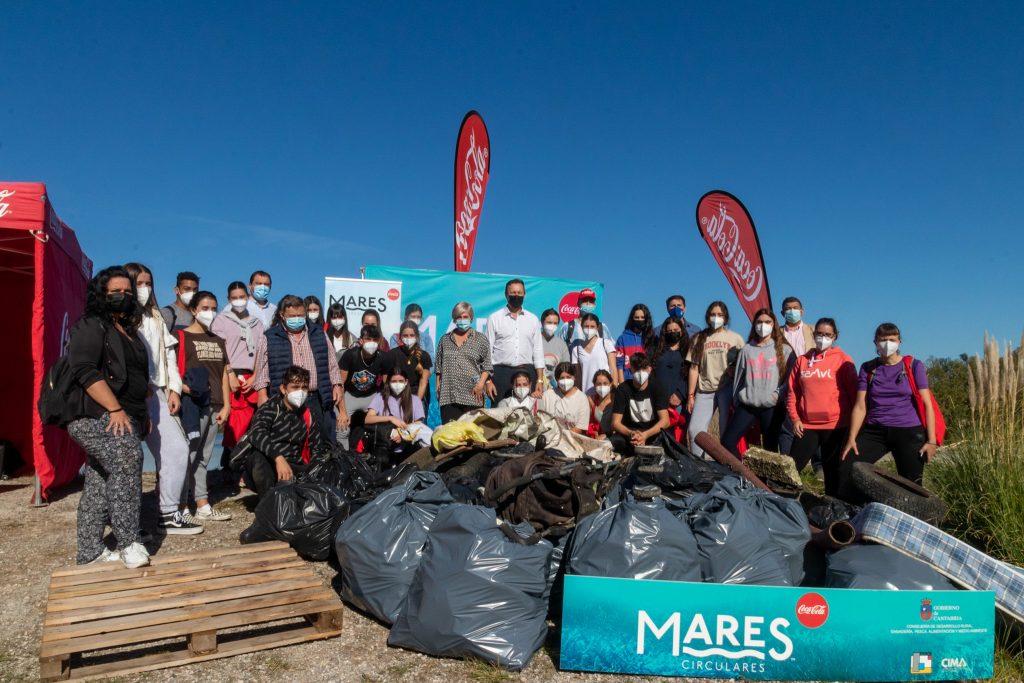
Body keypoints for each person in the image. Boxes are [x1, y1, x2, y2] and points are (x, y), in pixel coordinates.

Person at [66, 266, 152, 566]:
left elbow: (138, 377)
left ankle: (90, 551)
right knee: (128, 459)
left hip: (125, 414)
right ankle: (129, 542)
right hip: (93, 414)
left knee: (101, 478)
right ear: (101, 293)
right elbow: (85, 369)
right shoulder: (91, 325)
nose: (123, 297)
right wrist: (115, 408)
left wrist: (141, 413)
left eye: (127, 292)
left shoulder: (128, 331)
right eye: (115, 292)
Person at [124, 262, 201, 535]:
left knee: (178, 450)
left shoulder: (156, 316)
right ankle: (126, 526)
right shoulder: (119, 317)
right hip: (127, 395)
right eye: (139, 283)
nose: (144, 289)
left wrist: (174, 389)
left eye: (148, 283)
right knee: (127, 459)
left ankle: (168, 513)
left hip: (158, 392)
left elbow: (169, 357)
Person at [840, 323, 938, 493]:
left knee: (911, 486)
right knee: (847, 467)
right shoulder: (868, 368)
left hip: (908, 431)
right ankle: (852, 512)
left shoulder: (914, 366)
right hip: (875, 430)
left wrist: (931, 441)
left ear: (900, 341)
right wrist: (852, 438)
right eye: (882, 340)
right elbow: (860, 406)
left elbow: (927, 403)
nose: (887, 344)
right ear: (875, 343)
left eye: (892, 339)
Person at [253, 295, 344, 444]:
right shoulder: (270, 337)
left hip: (316, 398)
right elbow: (262, 369)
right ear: (282, 315)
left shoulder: (319, 333)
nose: (297, 319)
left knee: (321, 442)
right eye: (292, 316)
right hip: (285, 401)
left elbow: (331, 362)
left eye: (301, 315)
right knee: (289, 442)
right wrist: (262, 395)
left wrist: (337, 385)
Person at [178, 291, 233, 522]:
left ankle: (202, 504)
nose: (209, 312)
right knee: (187, 454)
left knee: (204, 456)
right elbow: (173, 369)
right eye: (205, 308)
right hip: (192, 404)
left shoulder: (218, 341)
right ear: (193, 310)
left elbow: (222, 373)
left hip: (215, 405)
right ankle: (179, 506)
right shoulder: (181, 337)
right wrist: (183, 389)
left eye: (213, 308)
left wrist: (227, 405)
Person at [786, 318, 857, 495]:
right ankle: (781, 501)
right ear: (814, 333)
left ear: (835, 337)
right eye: (819, 333)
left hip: (835, 426)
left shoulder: (843, 360)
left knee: (832, 472)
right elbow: (792, 392)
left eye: (827, 335)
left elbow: (855, 395)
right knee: (790, 468)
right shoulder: (802, 360)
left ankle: (832, 510)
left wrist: (852, 429)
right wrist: (795, 419)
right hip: (807, 426)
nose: (822, 337)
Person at [244, 366, 330, 498]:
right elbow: (257, 433)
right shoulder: (270, 408)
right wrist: (278, 458)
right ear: (283, 389)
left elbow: (317, 448)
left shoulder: (309, 414)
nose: (300, 392)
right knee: (258, 458)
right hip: (269, 465)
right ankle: (269, 503)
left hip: (295, 466)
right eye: (295, 387)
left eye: (304, 388)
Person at [720, 309, 793, 458]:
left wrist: (777, 397)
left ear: (774, 325)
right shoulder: (747, 349)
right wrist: (737, 400)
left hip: (771, 406)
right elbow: (739, 378)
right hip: (748, 404)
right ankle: (744, 474)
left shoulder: (785, 350)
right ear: (754, 325)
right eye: (759, 322)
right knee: (727, 441)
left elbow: (789, 380)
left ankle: (765, 481)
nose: (763, 325)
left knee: (770, 449)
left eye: (767, 322)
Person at [211, 281, 265, 471]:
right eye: (234, 298)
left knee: (252, 424)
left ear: (248, 297)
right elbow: (220, 350)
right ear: (228, 299)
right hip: (230, 375)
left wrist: (256, 376)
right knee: (233, 424)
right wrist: (230, 373)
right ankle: (228, 466)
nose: (238, 301)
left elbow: (261, 352)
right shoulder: (221, 320)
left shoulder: (257, 324)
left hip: (252, 377)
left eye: (242, 297)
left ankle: (246, 468)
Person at [686, 301, 744, 457]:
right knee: (695, 430)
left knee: (725, 432)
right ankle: (700, 464)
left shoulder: (736, 338)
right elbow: (693, 368)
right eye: (713, 314)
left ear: (726, 317)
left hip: (726, 389)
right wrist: (690, 395)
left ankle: (726, 466)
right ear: (707, 317)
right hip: (704, 390)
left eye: (720, 315)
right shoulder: (698, 338)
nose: (716, 318)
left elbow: (743, 366)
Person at [485, 279, 545, 401]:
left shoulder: (533, 319)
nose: (516, 295)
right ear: (506, 295)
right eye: (513, 293)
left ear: (524, 295)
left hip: (527, 372)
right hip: (501, 374)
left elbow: (538, 351)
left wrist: (539, 380)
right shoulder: (494, 318)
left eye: (519, 292)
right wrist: (487, 381)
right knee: (500, 414)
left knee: (528, 415)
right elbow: (487, 351)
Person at [435, 302, 492, 423]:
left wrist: (481, 385)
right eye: (458, 317)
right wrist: (438, 386)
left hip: (473, 394)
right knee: (451, 436)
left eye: (465, 317)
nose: (462, 320)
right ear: (454, 319)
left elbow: (487, 366)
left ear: (471, 318)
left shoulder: (480, 339)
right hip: (449, 395)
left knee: (472, 434)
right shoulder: (445, 340)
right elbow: (438, 367)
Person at [364, 365, 427, 468]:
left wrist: (401, 435)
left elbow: (418, 425)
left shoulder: (415, 400)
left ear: (406, 382)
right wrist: (390, 418)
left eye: (401, 381)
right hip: (384, 446)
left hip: (407, 446)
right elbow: (368, 419)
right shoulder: (380, 397)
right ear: (388, 382)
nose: (397, 384)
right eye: (394, 381)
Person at [337, 324, 389, 449]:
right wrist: (343, 412)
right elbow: (340, 384)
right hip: (350, 395)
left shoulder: (383, 358)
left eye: (375, 340)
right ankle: (344, 460)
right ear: (360, 340)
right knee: (342, 428)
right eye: (368, 339)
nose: (371, 343)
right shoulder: (350, 355)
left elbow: (387, 385)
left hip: (371, 396)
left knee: (383, 425)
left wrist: (384, 405)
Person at [609, 353, 671, 455]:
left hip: (652, 432)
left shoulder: (658, 387)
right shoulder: (622, 389)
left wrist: (645, 435)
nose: (641, 372)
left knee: (667, 442)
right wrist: (631, 434)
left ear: (650, 369)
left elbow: (665, 421)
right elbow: (615, 423)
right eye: (637, 369)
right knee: (614, 441)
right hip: (630, 433)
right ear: (631, 370)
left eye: (644, 368)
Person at [386, 321, 433, 412]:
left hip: (417, 397)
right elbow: (386, 380)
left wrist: (417, 403)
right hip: (396, 397)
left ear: (417, 336)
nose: (408, 338)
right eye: (405, 335)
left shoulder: (424, 356)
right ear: (400, 337)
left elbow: (423, 382)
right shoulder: (392, 354)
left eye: (412, 335)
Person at [650, 316, 690, 422]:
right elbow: (651, 373)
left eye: (676, 330)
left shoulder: (688, 350)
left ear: (681, 331)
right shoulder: (657, 350)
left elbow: (691, 374)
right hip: (658, 400)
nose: (673, 333)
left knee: (677, 435)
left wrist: (680, 394)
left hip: (678, 401)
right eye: (670, 331)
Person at [570, 312, 617, 394]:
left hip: (606, 393)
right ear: (581, 327)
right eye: (586, 326)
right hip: (586, 395)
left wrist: (614, 389)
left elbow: (613, 368)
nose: (589, 329)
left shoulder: (606, 343)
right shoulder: (576, 349)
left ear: (597, 327)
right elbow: (577, 376)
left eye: (592, 326)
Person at [539, 362, 591, 433]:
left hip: (572, 439)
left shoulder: (582, 398)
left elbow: (580, 428)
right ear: (557, 379)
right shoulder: (546, 396)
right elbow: (540, 421)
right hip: (550, 439)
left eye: (568, 377)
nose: (565, 380)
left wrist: (562, 436)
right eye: (562, 378)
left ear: (574, 377)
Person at [615, 304, 656, 384]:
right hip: (627, 382)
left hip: (647, 383)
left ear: (647, 319)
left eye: (642, 317)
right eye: (636, 317)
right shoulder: (622, 338)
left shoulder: (651, 338)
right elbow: (619, 364)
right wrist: (622, 385)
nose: (639, 320)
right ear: (632, 319)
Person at [540, 308, 570, 389]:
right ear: (542, 323)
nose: (552, 326)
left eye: (555, 323)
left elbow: (566, 369)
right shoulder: (534, 341)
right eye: (549, 323)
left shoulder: (562, 344)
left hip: (555, 390)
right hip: (536, 389)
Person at [587, 369, 615, 439]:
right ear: (594, 385)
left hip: (613, 437)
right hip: (595, 438)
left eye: (605, 383)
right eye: (599, 384)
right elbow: (589, 422)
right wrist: (594, 432)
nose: (602, 386)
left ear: (610, 384)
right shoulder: (591, 400)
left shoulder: (616, 399)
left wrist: (606, 435)